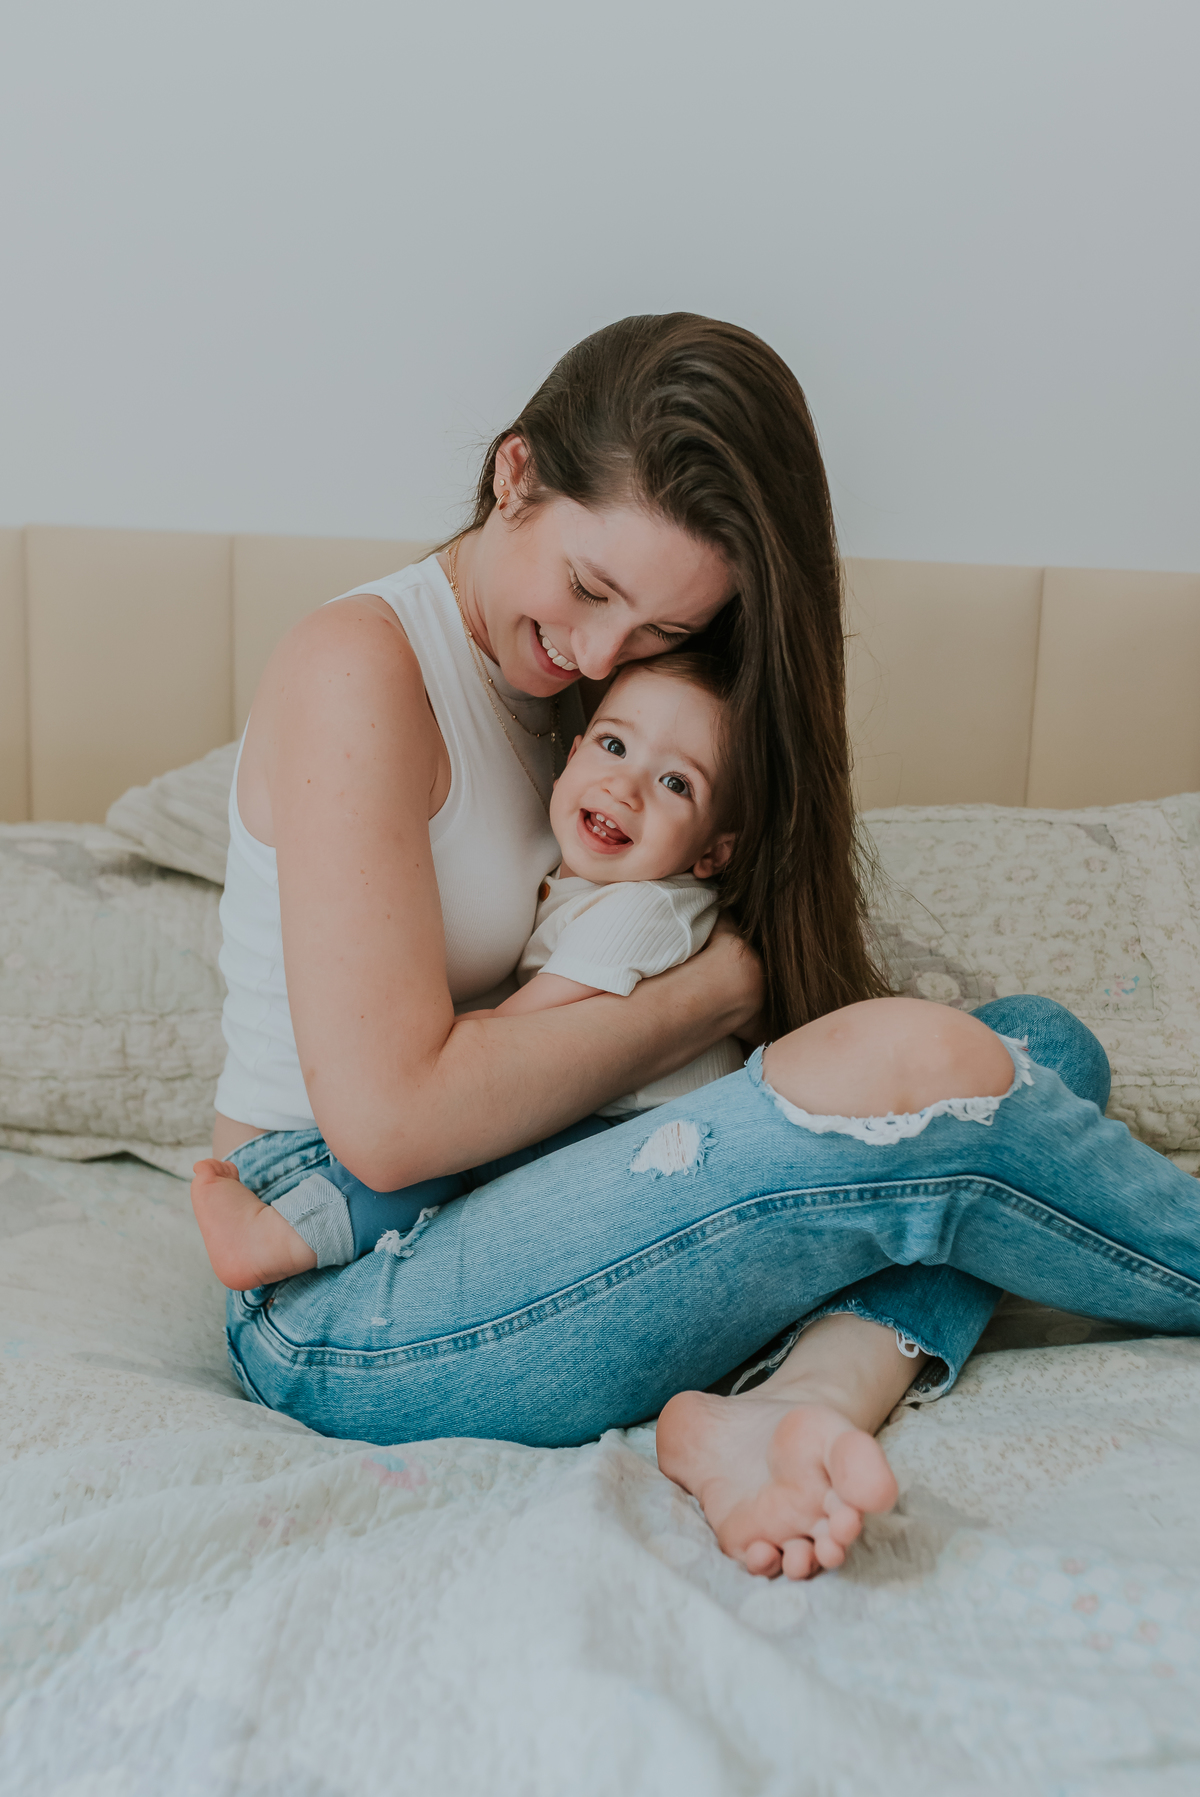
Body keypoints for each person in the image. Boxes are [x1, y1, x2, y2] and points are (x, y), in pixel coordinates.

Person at [206, 312, 1197, 1583]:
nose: (603, 658)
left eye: (662, 632)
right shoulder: (363, 668)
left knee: (1033, 1048)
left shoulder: (599, 697)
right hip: (349, 1287)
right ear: (516, 476)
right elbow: (390, 1128)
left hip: (524, 1189)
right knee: (928, 1076)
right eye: (592, 590)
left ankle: (798, 1409)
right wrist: (714, 992)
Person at [192, 649, 746, 1286]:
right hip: (599, 1124)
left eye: (676, 783)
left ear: (712, 852)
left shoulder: (650, 911)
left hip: (637, 1143)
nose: (625, 787)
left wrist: (429, 1074)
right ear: (569, 760)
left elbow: (507, 1049)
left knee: (450, 1153)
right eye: (615, 745)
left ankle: (282, 1237)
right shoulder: (571, 887)